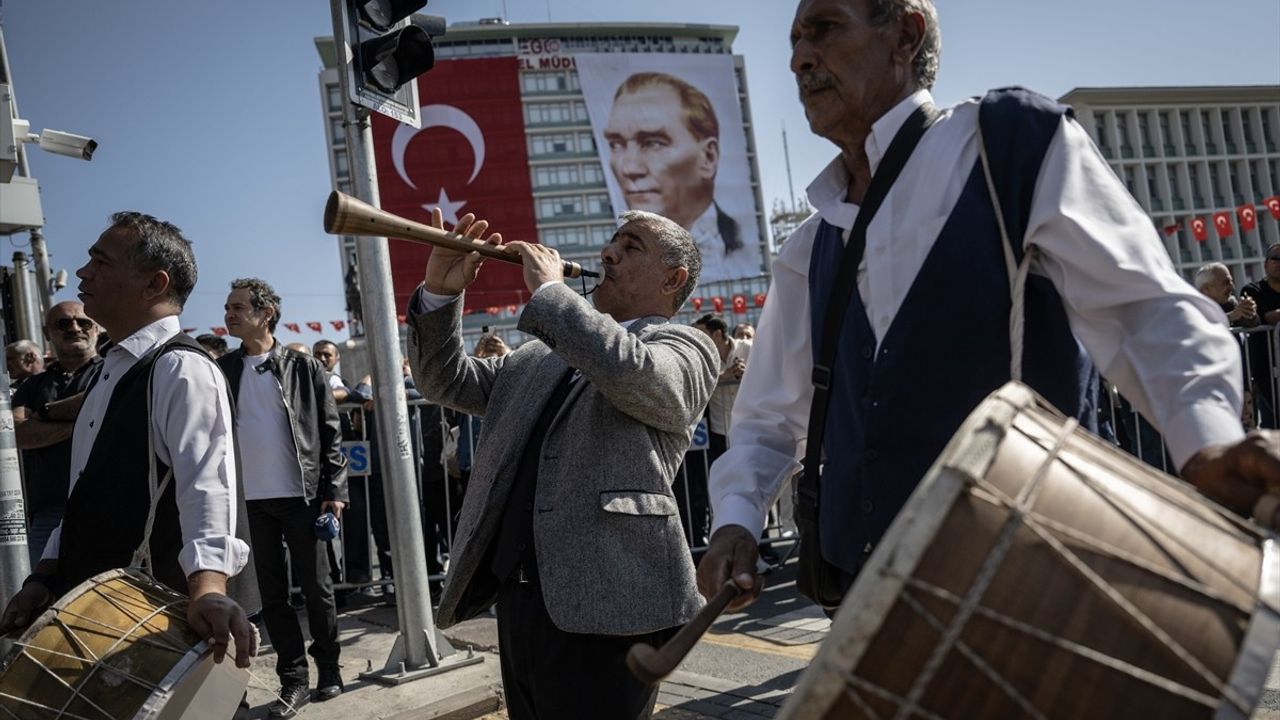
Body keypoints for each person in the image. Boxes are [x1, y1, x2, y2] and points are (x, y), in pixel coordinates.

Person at [699, 0, 1280, 612]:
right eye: (793, 40)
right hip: (864, 605)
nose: (798, 58)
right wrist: (736, 521)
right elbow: (766, 419)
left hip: (1030, 584)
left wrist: (1205, 441)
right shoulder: (810, 246)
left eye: (824, 29)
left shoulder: (1008, 145)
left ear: (904, 34)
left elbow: (1145, 307)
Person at [408, 206, 717, 719]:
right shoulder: (538, 355)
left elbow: (640, 378)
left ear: (673, 279)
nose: (607, 253)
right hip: (523, 598)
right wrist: (441, 292)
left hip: (612, 600)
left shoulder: (685, 345)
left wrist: (552, 295)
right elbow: (444, 382)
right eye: (612, 242)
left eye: (631, 246)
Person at [0, 211, 258, 672]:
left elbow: (207, 487)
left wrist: (208, 590)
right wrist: (46, 575)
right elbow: (83, 493)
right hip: (97, 614)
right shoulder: (110, 372)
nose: (82, 273)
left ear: (154, 284)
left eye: (99, 261)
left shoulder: (181, 368)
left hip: (155, 625)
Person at [219, 278, 348, 718]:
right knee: (271, 597)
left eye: (238, 307)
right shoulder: (224, 368)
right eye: (227, 307)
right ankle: (294, 681)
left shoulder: (302, 366)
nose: (229, 314)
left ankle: (329, 668)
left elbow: (330, 431)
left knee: (318, 590)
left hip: (302, 496)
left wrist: (334, 490)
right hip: (251, 503)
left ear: (266, 312)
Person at [604, 72, 759, 283]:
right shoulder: (617, 262)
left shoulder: (743, 240)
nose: (629, 168)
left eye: (653, 142)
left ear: (708, 157)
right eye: (616, 144)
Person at [12, 301, 103, 564]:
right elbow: (17, 433)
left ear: (95, 328)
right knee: (38, 597)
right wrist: (84, 422)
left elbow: (107, 411)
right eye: (63, 323)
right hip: (47, 513)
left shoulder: (112, 373)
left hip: (106, 508)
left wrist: (44, 414)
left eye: (83, 322)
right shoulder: (33, 384)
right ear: (46, 332)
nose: (75, 328)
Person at [1195, 262, 1257, 327]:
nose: (1232, 287)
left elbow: (1251, 325)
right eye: (1226, 283)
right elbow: (1204, 327)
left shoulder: (1230, 303)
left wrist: (1250, 313)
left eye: (1231, 281)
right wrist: (1231, 317)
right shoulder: (1194, 309)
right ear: (1206, 289)